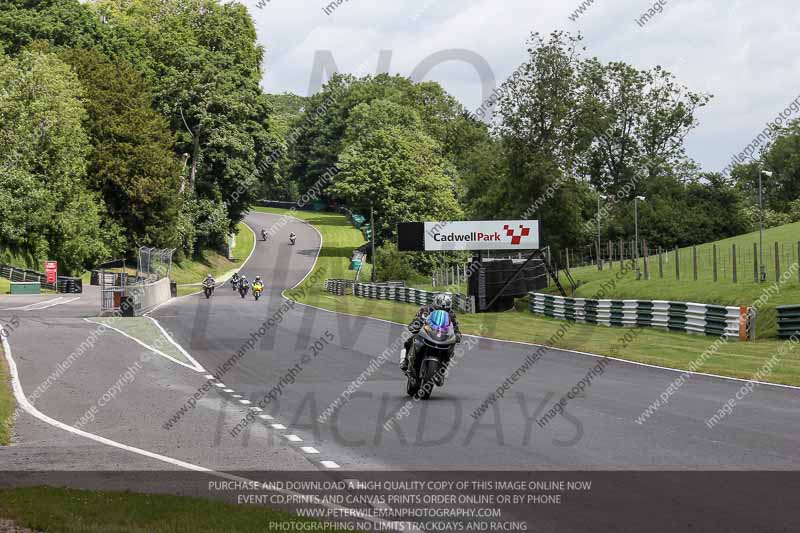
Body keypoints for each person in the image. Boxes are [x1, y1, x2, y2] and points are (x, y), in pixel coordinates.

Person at [400, 292, 462, 372]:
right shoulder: (426, 309)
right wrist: (415, 325)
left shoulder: (451, 314)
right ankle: (405, 361)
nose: (442, 309)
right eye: (440, 307)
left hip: (442, 336)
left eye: (445, 308)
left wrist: (457, 334)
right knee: (410, 341)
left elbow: (455, 327)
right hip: (428, 331)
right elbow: (418, 319)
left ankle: (443, 367)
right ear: (435, 303)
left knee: (451, 347)